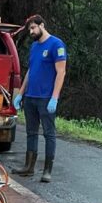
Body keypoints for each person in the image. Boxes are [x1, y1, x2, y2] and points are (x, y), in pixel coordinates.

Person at [11, 15, 67, 183]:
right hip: (31, 97)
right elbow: (31, 70)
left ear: (42, 25)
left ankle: (47, 170)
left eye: (34, 28)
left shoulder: (56, 45)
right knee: (31, 132)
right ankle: (28, 167)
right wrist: (21, 93)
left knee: (49, 134)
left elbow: (61, 72)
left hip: (46, 98)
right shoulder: (34, 46)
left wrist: (54, 98)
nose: (31, 31)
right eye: (29, 29)